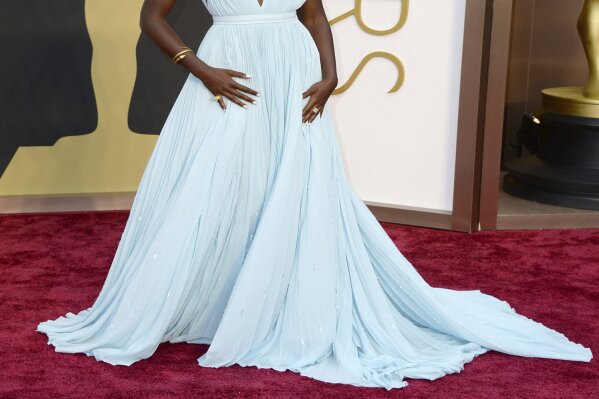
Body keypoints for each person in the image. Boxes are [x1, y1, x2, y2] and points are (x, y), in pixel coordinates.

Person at [37, 0, 592, 390]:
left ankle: (271, 294)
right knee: (215, 187)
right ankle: (214, 295)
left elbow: (314, 13)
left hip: (292, 73)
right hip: (225, 77)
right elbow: (150, 16)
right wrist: (200, 69)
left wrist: (330, 75)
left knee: (290, 181)